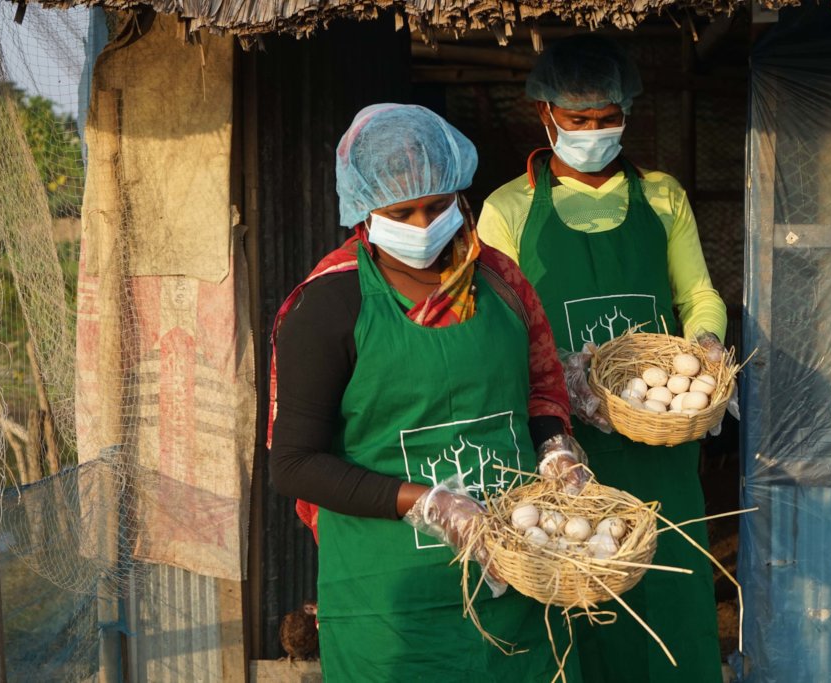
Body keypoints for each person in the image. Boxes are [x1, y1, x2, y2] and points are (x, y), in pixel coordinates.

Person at [267, 103, 588, 682]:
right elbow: (293, 464)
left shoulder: (500, 281)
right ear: (364, 207)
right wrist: (428, 502)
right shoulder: (329, 306)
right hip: (392, 609)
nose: (421, 226)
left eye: (437, 206)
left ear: (460, 195)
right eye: (401, 210)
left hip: (515, 584)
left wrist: (557, 448)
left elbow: (542, 387)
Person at [477, 35, 727, 683]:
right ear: (546, 115)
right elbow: (496, 329)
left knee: (670, 601)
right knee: (575, 599)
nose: (594, 131)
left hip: (657, 445)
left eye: (606, 119)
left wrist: (702, 349)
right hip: (563, 450)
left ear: (627, 113)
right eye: (579, 120)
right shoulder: (509, 208)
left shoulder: (662, 197)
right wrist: (564, 388)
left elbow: (697, 293)